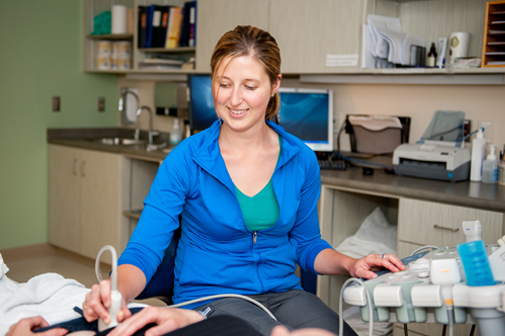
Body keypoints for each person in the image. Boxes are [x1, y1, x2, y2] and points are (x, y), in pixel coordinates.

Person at [83, 25, 405, 336]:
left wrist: (351, 264)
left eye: (250, 87)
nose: (234, 99)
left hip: (284, 294)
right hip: (210, 299)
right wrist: (116, 294)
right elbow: (144, 249)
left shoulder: (300, 159)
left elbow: (307, 245)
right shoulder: (186, 160)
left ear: (274, 85)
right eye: (224, 84)